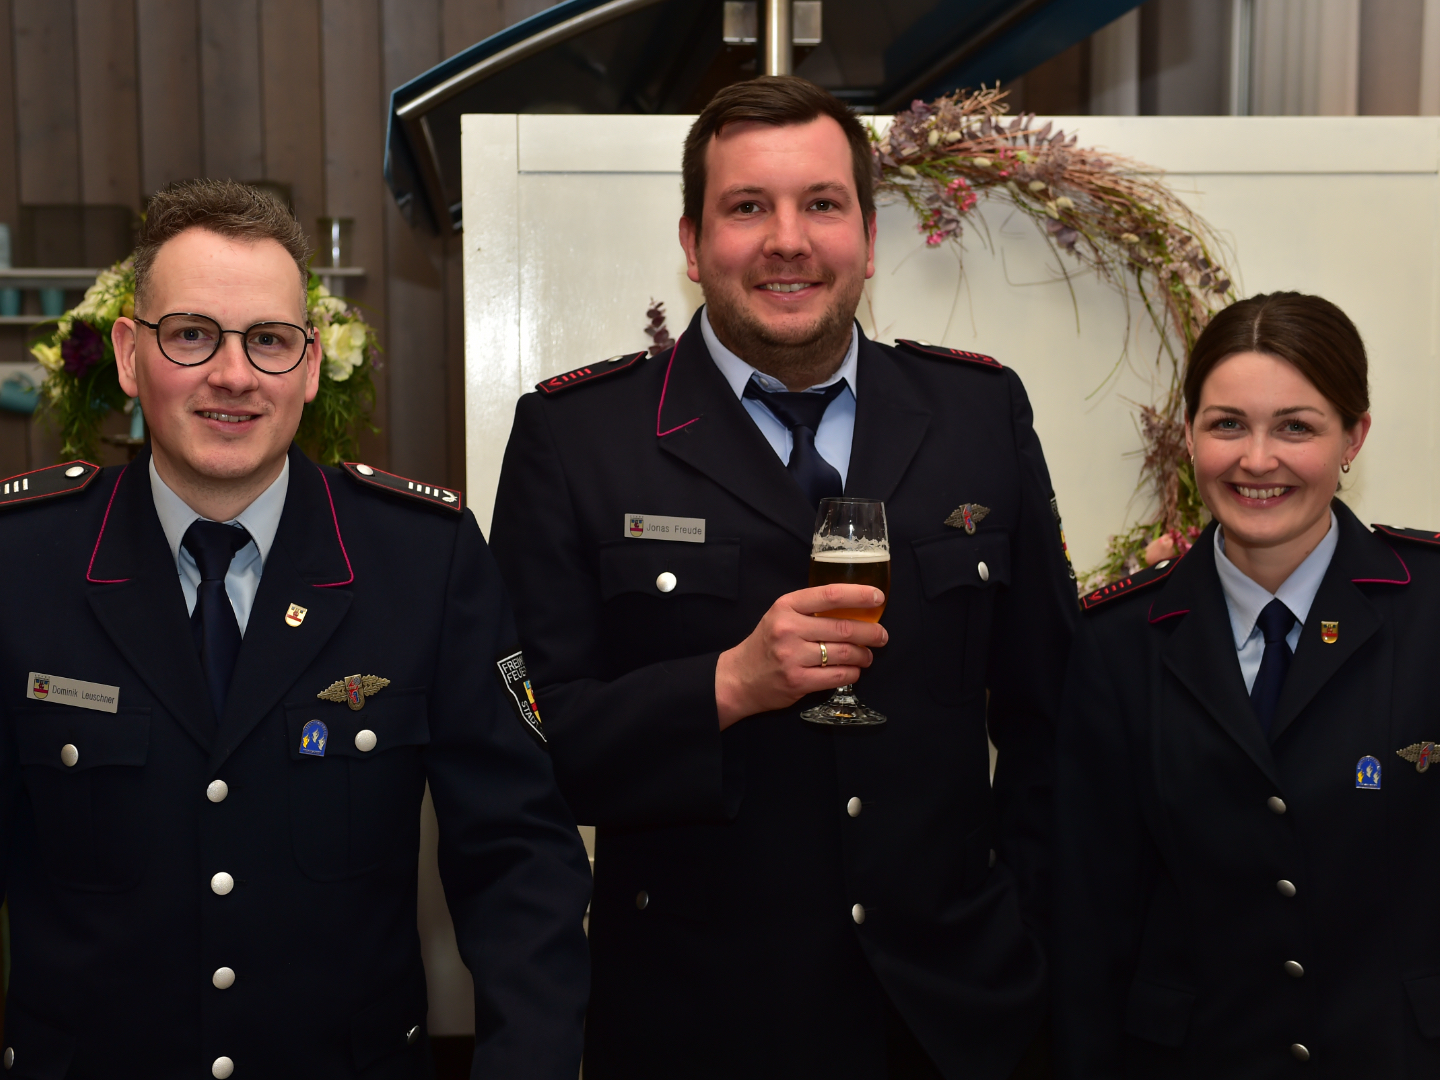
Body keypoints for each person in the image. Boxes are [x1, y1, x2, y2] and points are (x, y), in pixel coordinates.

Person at [489, 75, 1078, 1079]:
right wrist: (727, 685)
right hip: (698, 1027)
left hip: (954, 1022)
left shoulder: (979, 415)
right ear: (692, 243)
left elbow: (1053, 720)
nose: (788, 240)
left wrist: (1027, 933)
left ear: (869, 239)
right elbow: (528, 748)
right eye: (748, 207)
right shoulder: (578, 439)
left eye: (823, 204)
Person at [0, 179, 591, 1079]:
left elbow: (519, 860)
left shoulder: (420, 561)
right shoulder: (23, 562)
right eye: (192, 335)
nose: (233, 375)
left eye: (269, 340)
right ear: (128, 353)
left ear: (311, 366)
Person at [1053, 291, 1440, 1076]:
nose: (1256, 460)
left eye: (1296, 427)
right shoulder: (1117, 642)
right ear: (1189, 433)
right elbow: (1087, 917)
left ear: (1353, 437)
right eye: (1227, 424)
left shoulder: (1430, 609)